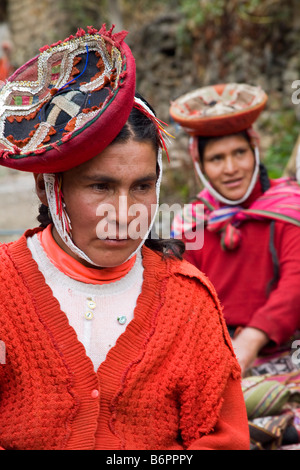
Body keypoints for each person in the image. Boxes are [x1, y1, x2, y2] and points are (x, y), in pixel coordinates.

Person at [0, 27, 249, 450]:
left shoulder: (187, 302)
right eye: (99, 186)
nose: (124, 212)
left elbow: (222, 440)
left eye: (140, 186)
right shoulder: (5, 288)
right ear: (48, 188)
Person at [170, 83, 300, 377]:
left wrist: (252, 338)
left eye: (239, 153)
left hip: (286, 355)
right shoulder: (192, 223)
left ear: (255, 153)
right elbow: (184, 299)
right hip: (214, 357)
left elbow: (295, 284)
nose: (230, 168)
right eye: (216, 159)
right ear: (200, 165)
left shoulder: (288, 207)